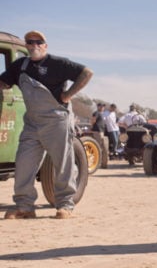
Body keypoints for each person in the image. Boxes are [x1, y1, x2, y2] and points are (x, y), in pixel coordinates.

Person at [0, 30, 93, 219]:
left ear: (45, 45)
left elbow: (86, 73)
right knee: (24, 164)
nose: (34, 45)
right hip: (32, 122)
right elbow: (4, 82)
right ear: (26, 46)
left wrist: (68, 95)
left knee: (63, 163)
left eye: (38, 42)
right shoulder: (20, 66)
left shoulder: (57, 63)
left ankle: (65, 205)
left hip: (56, 120)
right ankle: (24, 206)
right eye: (30, 42)